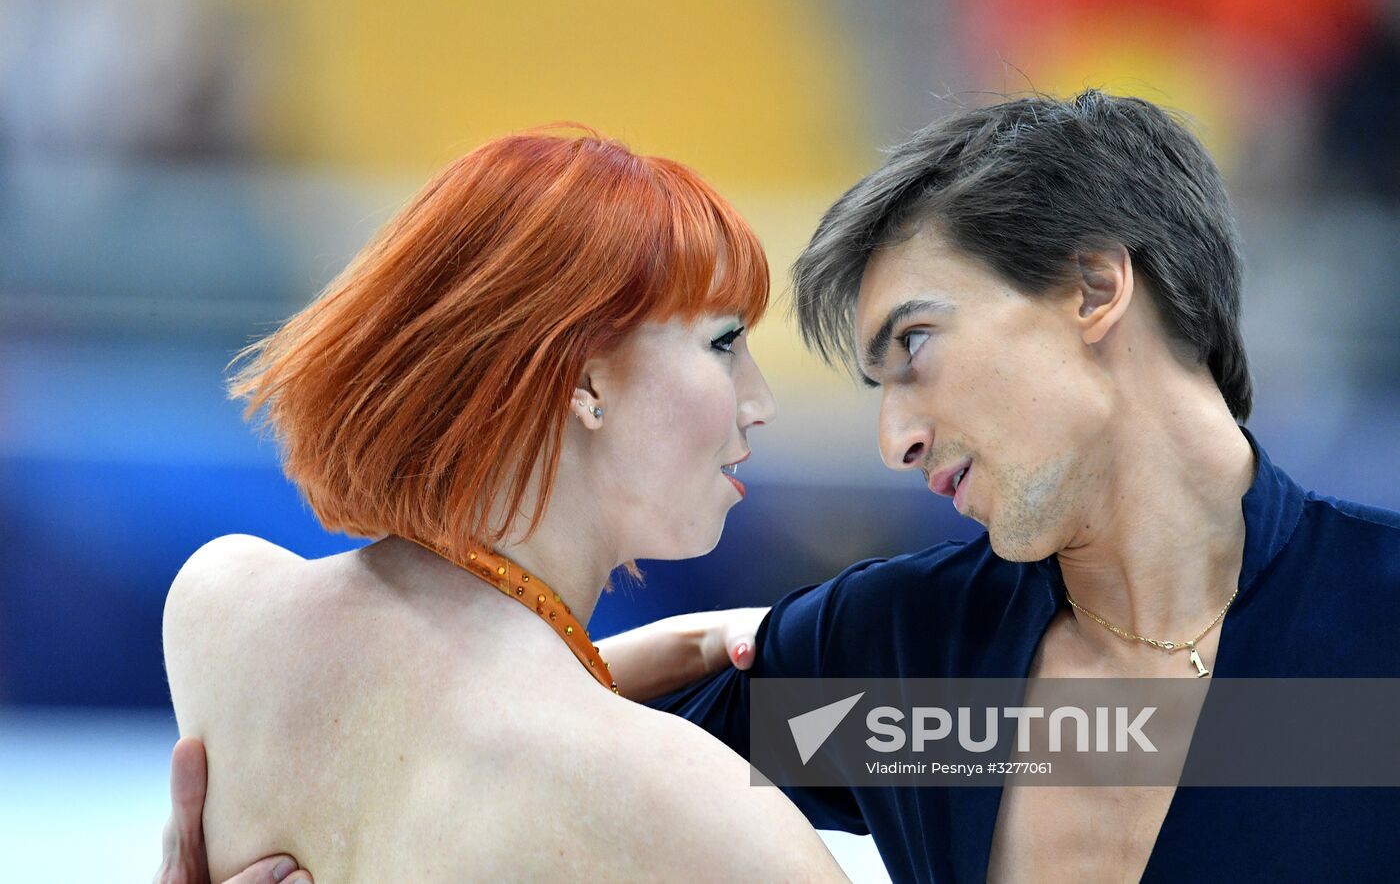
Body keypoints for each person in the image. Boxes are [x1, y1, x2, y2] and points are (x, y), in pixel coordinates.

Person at [168, 90, 1400, 882]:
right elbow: (496, 753)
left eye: (912, 347)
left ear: (1092, 289)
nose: (892, 442)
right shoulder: (894, 659)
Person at [159, 130, 848, 883]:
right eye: (724, 342)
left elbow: (437, 713)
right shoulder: (680, 796)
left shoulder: (219, 604)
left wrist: (665, 650)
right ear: (584, 383)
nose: (760, 402)